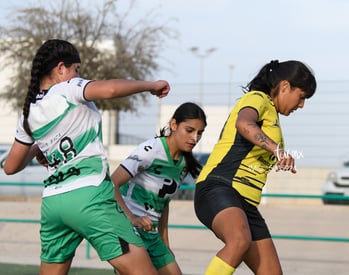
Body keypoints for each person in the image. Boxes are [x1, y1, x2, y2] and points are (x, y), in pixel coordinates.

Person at [3, 39, 170, 275]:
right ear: (60, 68)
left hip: (53, 204)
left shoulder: (28, 113)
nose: (78, 75)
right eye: (76, 70)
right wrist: (151, 85)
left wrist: (37, 147)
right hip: (90, 196)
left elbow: (10, 166)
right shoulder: (68, 89)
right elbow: (110, 89)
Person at [194, 60, 317, 275]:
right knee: (239, 240)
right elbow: (244, 124)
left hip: (245, 204)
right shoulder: (257, 99)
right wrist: (276, 150)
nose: (302, 105)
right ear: (285, 86)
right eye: (302, 97)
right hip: (219, 188)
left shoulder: (272, 114)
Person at [111, 102, 207, 275]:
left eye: (200, 133)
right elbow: (112, 184)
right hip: (127, 230)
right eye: (189, 130)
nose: (195, 138)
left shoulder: (184, 163)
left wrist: (165, 243)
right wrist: (132, 218)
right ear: (174, 125)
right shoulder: (151, 150)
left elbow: (163, 203)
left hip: (151, 234)